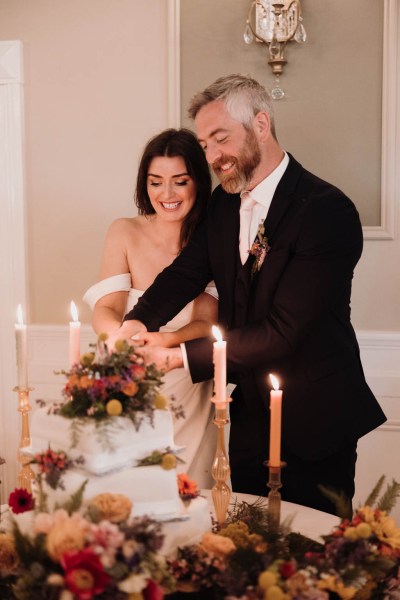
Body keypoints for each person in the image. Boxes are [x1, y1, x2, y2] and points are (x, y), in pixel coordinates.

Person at [116, 74, 386, 516]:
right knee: (242, 550)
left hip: (315, 417)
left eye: (220, 139)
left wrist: (180, 357)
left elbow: (284, 331)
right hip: (245, 416)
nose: (213, 156)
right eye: (205, 145)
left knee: (310, 562)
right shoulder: (223, 204)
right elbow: (184, 274)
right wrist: (138, 321)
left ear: (261, 125)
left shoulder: (326, 211)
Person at [83, 128, 218, 489]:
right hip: (128, 375)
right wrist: (124, 342)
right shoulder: (123, 231)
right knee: (122, 491)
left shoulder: (213, 239)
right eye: (155, 182)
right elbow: (106, 309)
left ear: (198, 183)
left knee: (187, 492)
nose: (167, 194)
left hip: (185, 383)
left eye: (179, 181)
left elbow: (206, 322)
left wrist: (164, 341)